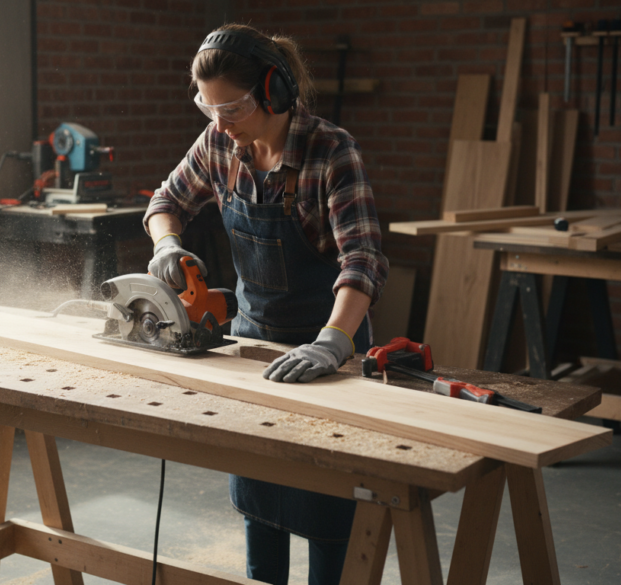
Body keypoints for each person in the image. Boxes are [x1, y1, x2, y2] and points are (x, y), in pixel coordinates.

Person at [143, 23, 389, 584]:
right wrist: (168, 244)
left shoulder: (331, 152)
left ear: (274, 92)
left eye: (231, 109)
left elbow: (364, 261)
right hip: (254, 349)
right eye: (209, 110)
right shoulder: (218, 145)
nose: (220, 124)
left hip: (331, 351)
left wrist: (334, 342)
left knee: (331, 515)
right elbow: (166, 200)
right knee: (262, 507)